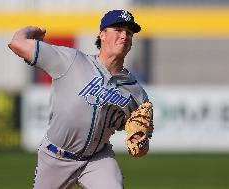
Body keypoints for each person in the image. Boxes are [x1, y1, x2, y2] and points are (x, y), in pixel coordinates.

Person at [9, 9, 152, 189]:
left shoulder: (135, 92)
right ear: (102, 35)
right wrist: (31, 30)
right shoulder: (71, 61)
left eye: (129, 33)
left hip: (97, 159)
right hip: (55, 158)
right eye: (118, 29)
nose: (124, 36)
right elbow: (16, 43)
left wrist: (140, 140)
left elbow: (141, 147)